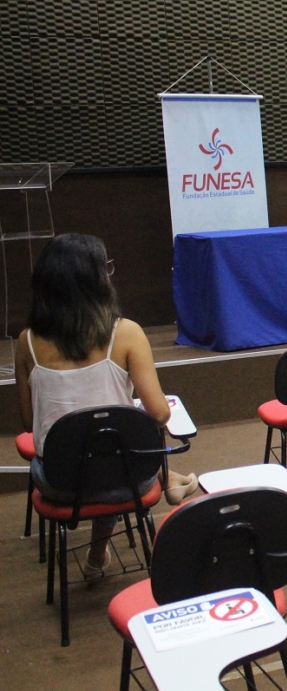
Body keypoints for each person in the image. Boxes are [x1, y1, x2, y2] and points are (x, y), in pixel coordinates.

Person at [15, 234, 197, 578]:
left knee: (91, 453)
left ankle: (164, 478)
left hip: (56, 481)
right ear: (95, 281)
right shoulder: (127, 333)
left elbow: (29, 422)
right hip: (129, 478)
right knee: (112, 453)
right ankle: (101, 548)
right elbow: (160, 413)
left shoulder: (26, 341)